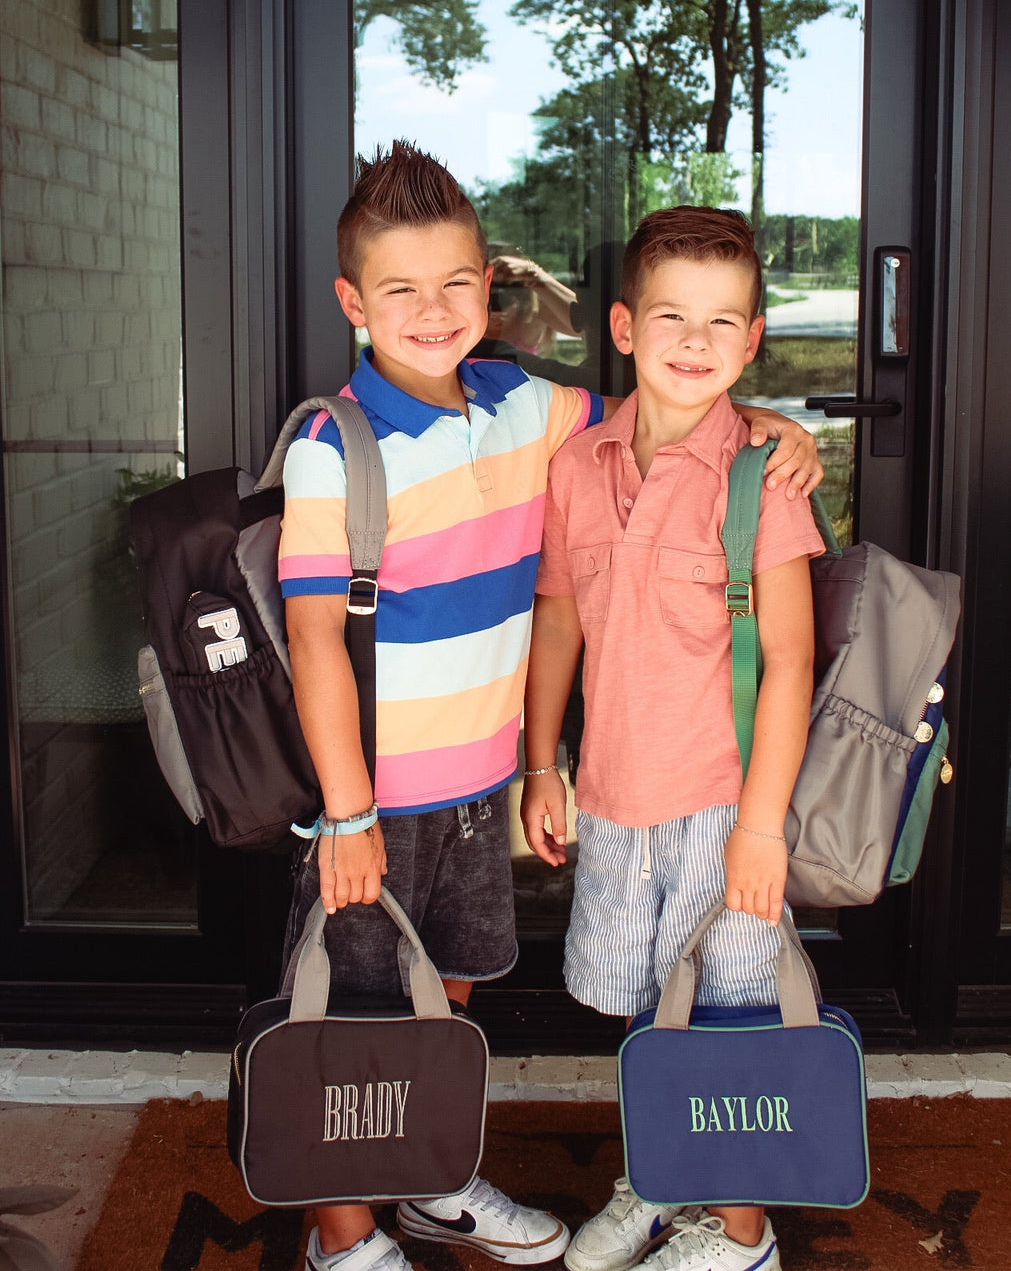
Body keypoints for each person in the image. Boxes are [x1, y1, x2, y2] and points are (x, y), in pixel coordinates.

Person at [277, 147, 823, 1271]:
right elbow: (314, 637)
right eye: (400, 290)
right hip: (375, 797)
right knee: (349, 1006)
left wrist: (776, 422)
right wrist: (343, 810)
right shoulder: (335, 447)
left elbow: (677, 393)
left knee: (450, 997)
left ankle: (435, 1181)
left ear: (493, 287)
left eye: (457, 285)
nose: (433, 312)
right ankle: (343, 1234)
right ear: (350, 303)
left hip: (481, 791)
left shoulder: (528, 408)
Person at [522, 206, 825, 1271]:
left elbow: (789, 660)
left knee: (726, 1020)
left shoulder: (760, 476)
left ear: (750, 344)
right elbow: (557, 615)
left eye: (720, 323)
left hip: (719, 803)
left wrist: (759, 830)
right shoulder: (576, 463)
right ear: (621, 326)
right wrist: (539, 765)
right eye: (669, 317)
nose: (692, 342)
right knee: (645, 1016)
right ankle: (658, 1177)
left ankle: (737, 1234)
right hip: (610, 793)